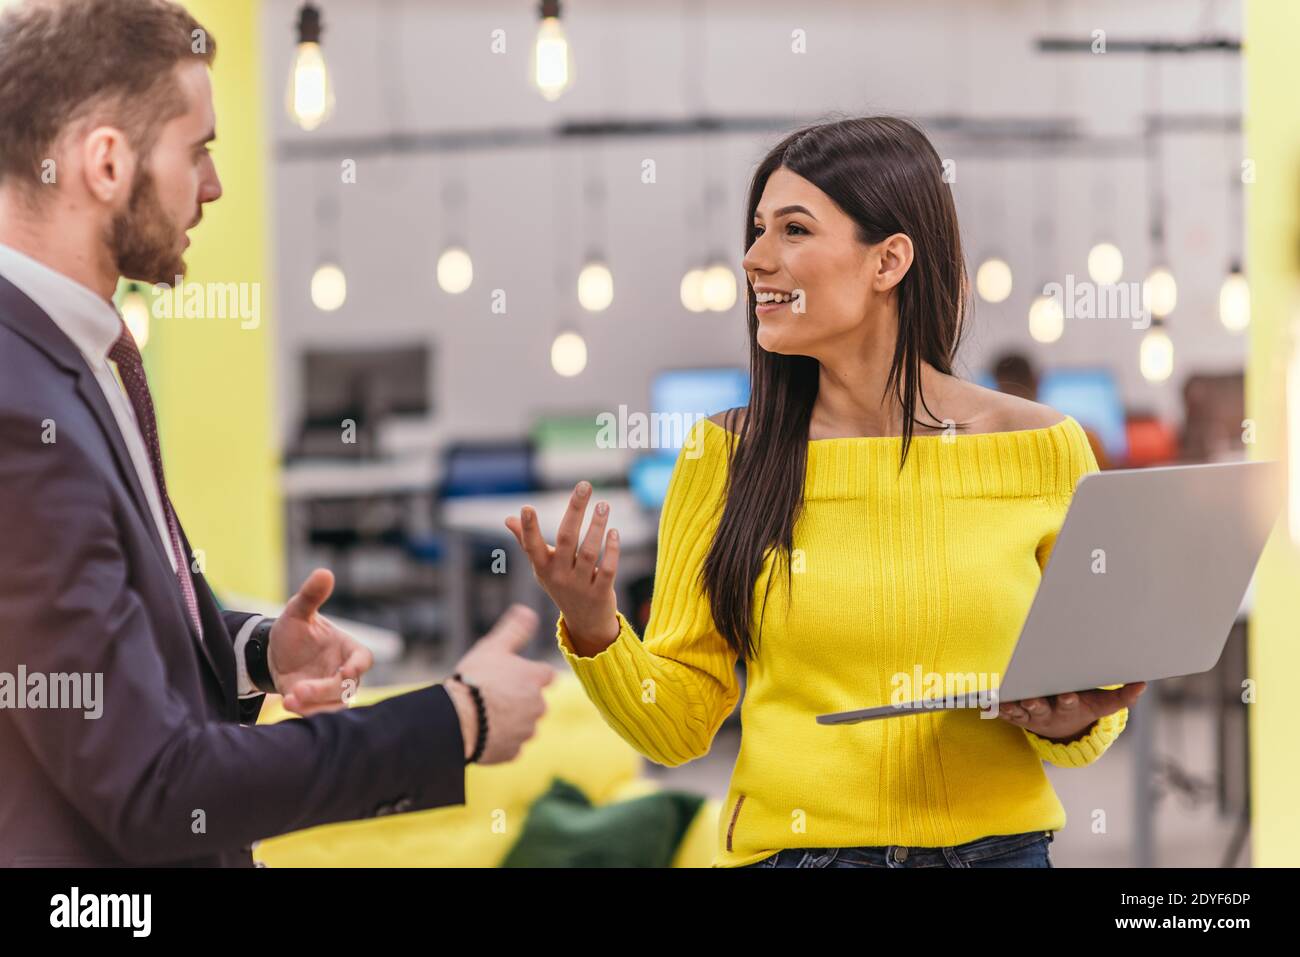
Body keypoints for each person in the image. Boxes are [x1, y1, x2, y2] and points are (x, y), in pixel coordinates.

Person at [506, 116, 1146, 869]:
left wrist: (1068, 718)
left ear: (889, 260)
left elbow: (1089, 710)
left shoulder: (1043, 449)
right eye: (756, 230)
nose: (753, 258)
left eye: (794, 230)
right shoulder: (726, 457)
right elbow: (677, 730)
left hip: (1003, 852)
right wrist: (595, 628)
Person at [0, 0, 552, 867]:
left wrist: (255, 650)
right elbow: (154, 785)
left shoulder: (74, 353)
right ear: (106, 162)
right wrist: (457, 718)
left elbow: (117, 635)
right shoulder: (15, 403)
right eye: (200, 148)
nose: (214, 185)